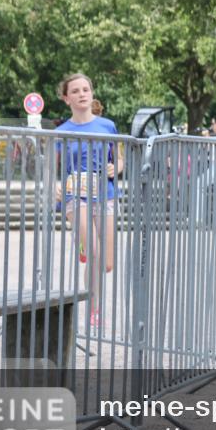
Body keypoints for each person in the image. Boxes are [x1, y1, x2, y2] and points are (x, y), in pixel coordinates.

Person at [54, 73, 122, 327]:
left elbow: (119, 157)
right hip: (76, 193)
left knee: (106, 264)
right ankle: (95, 309)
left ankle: (85, 248)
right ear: (66, 98)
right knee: (93, 250)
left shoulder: (108, 126)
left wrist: (117, 168)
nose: (82, 94)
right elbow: (51, 166)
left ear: (92, 93)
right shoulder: (61, 132)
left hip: (105, 193)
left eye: (86, 89)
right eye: (75, 91)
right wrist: (54, 185)